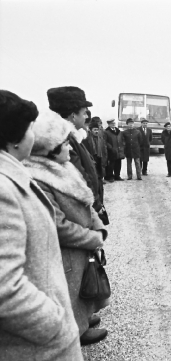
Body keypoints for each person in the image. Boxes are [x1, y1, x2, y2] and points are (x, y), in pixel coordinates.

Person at [0, 90, 83, 360]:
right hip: (36, 348)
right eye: (29, 129)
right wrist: (55, 326)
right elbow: (5, 289)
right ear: (15, 139)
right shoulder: (3, 189)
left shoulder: (12, 175)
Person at [23, 108, 109, 345]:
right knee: (69, 292)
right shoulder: (39, 180)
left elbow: (86, 201)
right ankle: (76, 333)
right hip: (68, 250)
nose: (70, 148)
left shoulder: (63, 169)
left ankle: (82, 320)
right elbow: (59, 226)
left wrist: (98, 225)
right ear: (50, 150)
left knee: (81, 286)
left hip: (81, 246)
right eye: (64, 144)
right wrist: (93, 237)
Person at [47, 86, 103, 213]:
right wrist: (96, 205)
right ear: (73, 115)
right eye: (84, 113)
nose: (85, 117)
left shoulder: (70, 137)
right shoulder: (65, 141)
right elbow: (80, 178)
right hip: (86, 209)